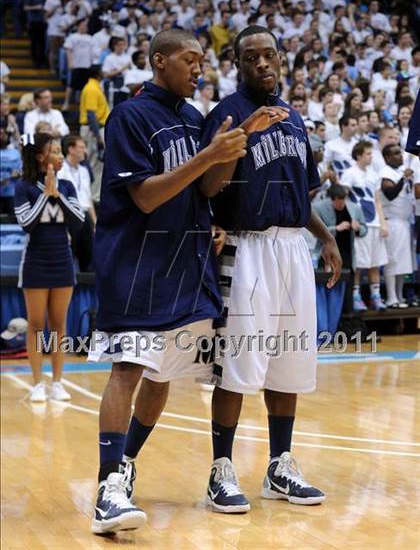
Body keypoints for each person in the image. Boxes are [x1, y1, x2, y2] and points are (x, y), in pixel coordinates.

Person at [86, 28, 271, 535]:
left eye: (201, 61)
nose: (197, 68)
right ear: (158, 60)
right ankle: (106, 489)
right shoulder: (130, 116)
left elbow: (207, 187)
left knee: (162, 375)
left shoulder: (192, 118)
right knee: (129, 368)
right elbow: (145, 196)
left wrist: (235, 147)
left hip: (186, 265)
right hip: (138, 264)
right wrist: (209, 155)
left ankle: (124, 464)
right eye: (188, 60)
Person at [197, 26, 341, 513]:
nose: (263, 64)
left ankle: (280, 465)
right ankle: (221, 469)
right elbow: (209, 189)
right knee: (238, 364)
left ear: (281, 60)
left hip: (293, 248)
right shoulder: (226, 115)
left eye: (270, 55)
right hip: (247, 248)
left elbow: (303, 190)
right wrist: (236, 142)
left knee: (290, 361)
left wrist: (325, 238)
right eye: (252, 57)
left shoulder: (295, 118)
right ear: (238, 64)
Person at [13, 133, 84, 402]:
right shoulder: (24, 187)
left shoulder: (67, 186)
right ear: (41, 157)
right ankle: (37, 383)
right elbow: (26, 223)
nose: (60, 155)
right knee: (35, 324)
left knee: (58, 325)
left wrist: (58, 196)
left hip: (62, 260)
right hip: (35, 261)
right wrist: (45, 196)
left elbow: (78, 222)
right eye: (54, 151)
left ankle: (57, 381)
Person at [340, 141, 388, 310]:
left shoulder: (374, 174)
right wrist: (350, 218)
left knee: (375, 262)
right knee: (359, 263)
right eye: (367, 154)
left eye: (371, 153)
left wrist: (383, 223)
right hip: (360, 224)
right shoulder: (349, 174)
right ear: (358, 155)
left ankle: (376, 297)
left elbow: (377, 201)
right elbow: (343, 198)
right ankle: (356, 297)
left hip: (374, 222)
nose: (371, 156)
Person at [313, 184, 367, 314]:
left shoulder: (354, 208)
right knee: (328, 288)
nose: (342, 203)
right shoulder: (318, 208)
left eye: (344, 200)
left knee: (348, 290)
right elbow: (315, 233)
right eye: (338, 201)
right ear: (332, 199)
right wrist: (336, 228)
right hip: (326, 255)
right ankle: (328, 323)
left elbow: (365, 230)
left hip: (347, 253)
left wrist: (358, 228)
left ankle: (347, 321)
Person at [381, 144, 415, 308]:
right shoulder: (385, 172)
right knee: (392, 260)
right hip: (391, 222)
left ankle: (400, 296)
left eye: (399, 153)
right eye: (395, 154)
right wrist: (403, 178)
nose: (399, 156)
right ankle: (391, 297)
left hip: (404, 222)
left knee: (403, 263)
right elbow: (390, 194)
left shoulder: (398, 171)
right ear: (387, 158)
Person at [58, 135, 96, 271]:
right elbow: (59, 199)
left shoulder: (84, 170)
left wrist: (94, 222)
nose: (85, 151)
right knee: (68, 259)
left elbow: (88, 197)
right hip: (70, 217)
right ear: (71, 149)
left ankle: (88, 293)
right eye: (81, 147)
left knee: (89, 260)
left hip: (85, 216)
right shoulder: (60, 171)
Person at [79, 65, 110, 203]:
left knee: (97, 164)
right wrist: (98, 136)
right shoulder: (91, 88)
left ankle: (94, 196)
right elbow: (91, 114)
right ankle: (92, 198)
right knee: (94, 164)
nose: (104, 72)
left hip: (95, 129)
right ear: (98, 74)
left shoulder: (94, 86)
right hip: (93, 130)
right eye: (102, 71)